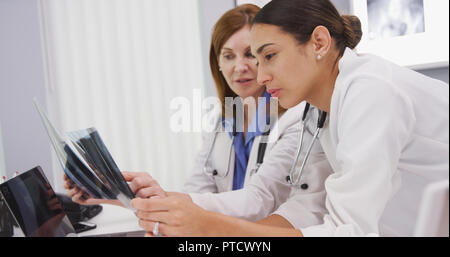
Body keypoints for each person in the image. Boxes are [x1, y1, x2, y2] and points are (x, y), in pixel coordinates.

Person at [131, 0, 449, 237]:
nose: (261, 74)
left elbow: (348, 230)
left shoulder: (372, 91)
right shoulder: (318, 110)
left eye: (269, 56)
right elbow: (306, 209)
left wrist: (213, 228)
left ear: (319, 43)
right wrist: (204, 228)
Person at [65, 4, 330, 228]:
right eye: (228, 56)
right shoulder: (224, 120)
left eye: (251, 54)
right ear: (217, 63)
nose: (240, 67)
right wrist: (119, 193)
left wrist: (165, 199)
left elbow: (257, 201)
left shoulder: (296, 119)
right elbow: (198, 190)